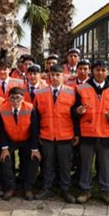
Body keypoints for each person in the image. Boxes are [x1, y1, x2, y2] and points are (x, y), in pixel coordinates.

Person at [75, 60, 109, 205]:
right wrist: (78, 111)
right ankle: (85, 190)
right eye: (97, 70)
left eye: (103, 70)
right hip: (87, 134)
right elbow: (73, 111)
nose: (100, 73)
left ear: (107, 72)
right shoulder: (81, 88)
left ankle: (105, 191)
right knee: (85, 164)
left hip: (106, 135)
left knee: (105, 165)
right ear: (92, 71)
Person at [33, 64, 79, 203]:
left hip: (65, 136)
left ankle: (65, 190)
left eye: (57, 75)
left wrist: (76, 134)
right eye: (52, 75)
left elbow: (76, 115)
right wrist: (38, 136)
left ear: (63, 77)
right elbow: (36, 117)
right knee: (48, 164)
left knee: (65, 165)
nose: (54, 77)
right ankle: (47, 188)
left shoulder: (72, 92)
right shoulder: (40, 93)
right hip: (46, 135)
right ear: (48, 76)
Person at [0, 87, 39, 201]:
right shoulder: (2, 108)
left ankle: (28, 188)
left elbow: (35, 130)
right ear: (8, 99)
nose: (15, 101)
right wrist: (4, 148)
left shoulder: (30, 108)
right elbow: (1, 130)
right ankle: (11, 187)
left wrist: (35, 149)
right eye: (12, 98)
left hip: (27, 139)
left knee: (34, 159)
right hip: (11, 140)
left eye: (18, 98)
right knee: (5, 158)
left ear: (23, 98)